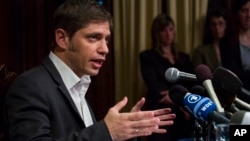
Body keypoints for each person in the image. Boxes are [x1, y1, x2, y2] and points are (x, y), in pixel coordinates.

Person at [3, 0, 176, 141]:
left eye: (106, 40)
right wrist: (106, 132)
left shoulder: (79, 84)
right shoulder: (30, 85)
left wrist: (126, 132)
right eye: (94, 37)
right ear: (62, 39)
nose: (105, 49)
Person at [139, 14, 195, 141]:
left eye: (170, 29)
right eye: (163, 30)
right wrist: (179, 101)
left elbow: (191, 84)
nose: (168, 34)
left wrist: (181, 101)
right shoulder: (148, 56)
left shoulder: (184, 58)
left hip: (186, 108)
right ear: (157, 33)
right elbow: (154, 86)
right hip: (161, 108)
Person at [220, 0, 250, 96]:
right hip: (242, 94)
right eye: (244, 11)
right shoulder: (227, 41)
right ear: (236, 13)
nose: (248, 15)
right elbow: (232, 75)